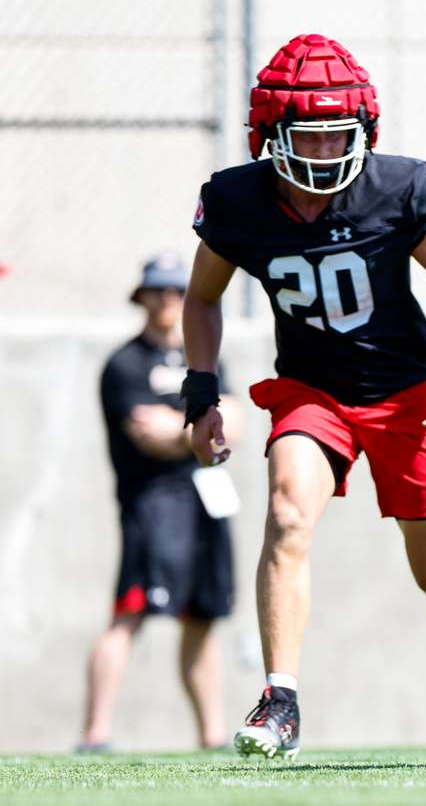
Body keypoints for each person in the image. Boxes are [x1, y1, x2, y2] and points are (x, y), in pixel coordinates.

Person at [180, 33, 426, 760]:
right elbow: (202, 297)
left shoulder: (396, 188)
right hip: (312, 394)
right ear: (270, 135)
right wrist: (200, 393)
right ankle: (280, 701)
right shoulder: (238, 201)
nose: (327, 149)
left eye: (339, 133)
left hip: (405, 397)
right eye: (310, 134)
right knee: (286, 512)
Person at [82, 252, 242, 752]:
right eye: (159, 290)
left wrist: (181, 429)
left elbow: (235, 421)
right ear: (143, 297)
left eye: (177, 290)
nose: (168, 299)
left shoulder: (203, 361)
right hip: (151, 505)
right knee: (129, 612)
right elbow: (146, 435)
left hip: (204, 501)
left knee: (202, 619)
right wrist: (197, 430)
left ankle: (212, 735)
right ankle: (95, 733)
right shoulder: (125, 364)